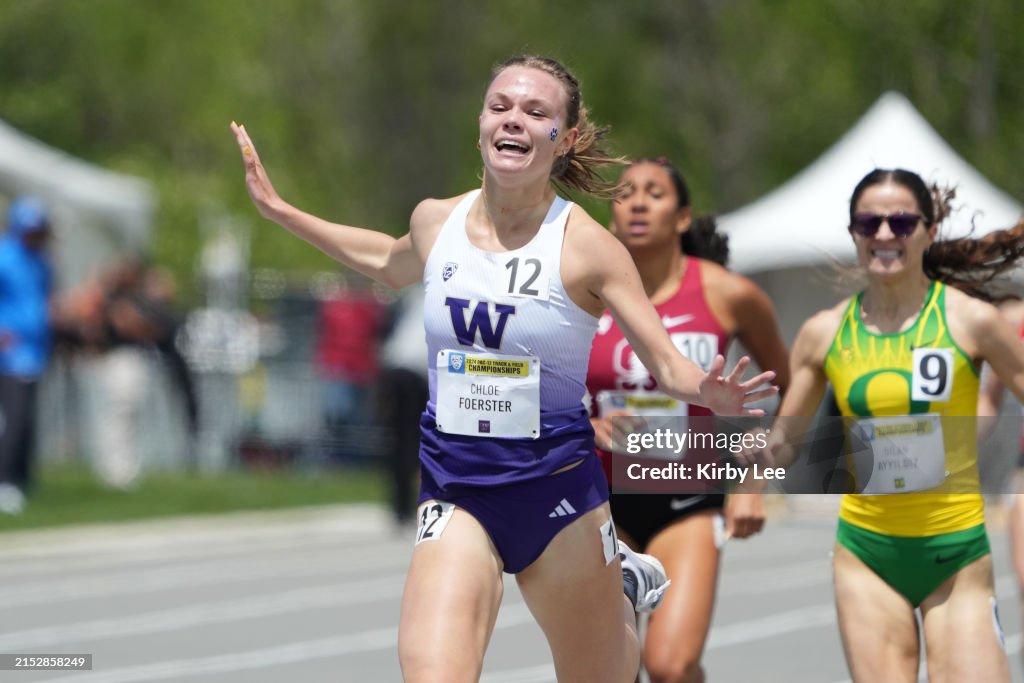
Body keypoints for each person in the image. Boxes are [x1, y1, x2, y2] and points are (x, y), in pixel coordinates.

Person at [231, 54, 776, 682]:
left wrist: (710, 390)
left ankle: (619, 587)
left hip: (559, 496)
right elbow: (386, 259)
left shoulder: (588, 248)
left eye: (535, 111)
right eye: (501, 107)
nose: (514, 120)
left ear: (564, 138)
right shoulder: (437, 221)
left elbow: (668, 363)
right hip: (456, 487)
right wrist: (279, 210)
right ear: (482, 123)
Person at [746, 168, 1024, 682]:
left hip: (956, 554)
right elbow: (786, 439)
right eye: (869, 222)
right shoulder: (824, 333)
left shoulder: (971, 321)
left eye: (901, 221)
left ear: (928, 230)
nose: (884, 234)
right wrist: (750, 467)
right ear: (853, 232)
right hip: (868, 556)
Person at [587, 157, 790, 683]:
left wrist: (754, 477)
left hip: (689, 498)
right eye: (625, 193)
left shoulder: (728, 293)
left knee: (671, 667)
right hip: (598, 499)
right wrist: (587, 428)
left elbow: (789, 389)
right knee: (608, 669)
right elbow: (544, 387)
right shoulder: (581, 291)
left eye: (653, 193)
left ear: (682, 217)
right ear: (611, 215)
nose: (636, 202)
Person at [0, 196, 54, 514]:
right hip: (11, 351)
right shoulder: (5, 256)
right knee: (15, 419)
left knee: (28, 419)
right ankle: (5, 480)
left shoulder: (41, 261)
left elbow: (42, 300)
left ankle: (22, 478)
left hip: (35, 348)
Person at [374, 283, 430, 530]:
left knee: (400, 442)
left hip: (398, 364)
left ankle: (402, 507)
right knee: (413, 443)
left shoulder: (415, 292)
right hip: (416, 370)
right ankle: (406, 507)